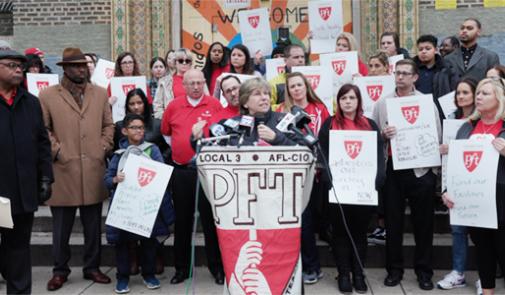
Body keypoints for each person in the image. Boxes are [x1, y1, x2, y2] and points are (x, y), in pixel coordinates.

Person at [39, 47, 115, 291]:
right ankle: (60, 270)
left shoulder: (100, 93)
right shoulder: (48, 95)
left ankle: (92, 267)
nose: (81, 69)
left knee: (93, 226)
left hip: (93, 168)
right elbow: (43, 130)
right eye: (75, 66)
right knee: (61, 228)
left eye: (84, 65)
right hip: (63, 170)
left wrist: (103, 147)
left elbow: (108, 125)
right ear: (65, 69)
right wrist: (58, 151)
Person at [372, 59, 441, 290]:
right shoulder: (383, 103)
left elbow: (436, 134)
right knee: (393, 224)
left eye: (405, 73)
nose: (400, 77)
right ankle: (394, 270)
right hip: (393, 168)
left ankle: (424, 272)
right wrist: (383, 134)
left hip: (420, 170)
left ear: (414, 77)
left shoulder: (425, 102)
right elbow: (374, 137)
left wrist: (433, 171)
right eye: (397, 73)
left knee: (424, 224)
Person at [319, 84, 385, 293]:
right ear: (338, 101)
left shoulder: (370, 125)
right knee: (340, 234)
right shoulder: (330, 124)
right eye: (343, 98)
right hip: (338, 189)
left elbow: (378, 154)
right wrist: (328, 178)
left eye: (352, 98)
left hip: (363, 190)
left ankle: (358, 274)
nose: (348, 101)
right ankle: (344, 274)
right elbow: (321, 153)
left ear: (359, 101)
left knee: (359, 233)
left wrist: (378, 178)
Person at [160, 69, 225, 285]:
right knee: (183, 221)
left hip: (207, 172)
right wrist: (182, 150)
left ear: (204, 83)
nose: (196, 87)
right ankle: (182, 268)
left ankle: (217, 267)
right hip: (182, 172)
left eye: (199, 82)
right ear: (184, 85)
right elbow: (166, 134)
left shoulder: (215, 104)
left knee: (210, 221)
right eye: (191, 83)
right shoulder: (174, 105)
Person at [442, 77, 505, 295]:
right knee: (483, 252)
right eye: (478, 92)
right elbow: (453, 166)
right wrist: (446, 191)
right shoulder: (466, 128)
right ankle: (487, 291)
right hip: (475, 203)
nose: (479, 97)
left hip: (502, 202)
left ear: (499, 98)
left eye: (485, 93)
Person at [0, 48, 53, 294]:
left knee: (19, 248)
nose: (18, 69)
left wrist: (45, 177)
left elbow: (42, 142)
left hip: (21, 193)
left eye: (20, 65)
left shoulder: (31, 103)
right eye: (11, 65)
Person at [105, 113, 174, 294]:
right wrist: (114, 179)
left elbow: (162, 174)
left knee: (148, 243)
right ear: (125, 131)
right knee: (122, 244)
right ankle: (122, 277)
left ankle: (149, 274)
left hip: (146, 208)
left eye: (142, 128)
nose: (139, 131)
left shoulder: (153, 150)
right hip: (126, 207)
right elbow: (106, 179)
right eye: (134, 128)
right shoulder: (119, 154)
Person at [276, 72, 330, 284]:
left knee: (317, 222)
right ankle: (309, 266)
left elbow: (326, 137)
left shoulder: (320, 109)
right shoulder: (281, 111)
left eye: (299, 85)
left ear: (306, 86)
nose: (296, 89)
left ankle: (314, 266)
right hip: (293, 175)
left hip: (318, 173)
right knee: (303, 222)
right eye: (292, 86)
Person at [436, 78, 477, 290]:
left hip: (477, 181)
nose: (461, 97)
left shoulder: (482, 121)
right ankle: (458, 272)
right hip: (455, 180)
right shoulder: (451, 119)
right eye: (458, 93)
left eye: (465, 93)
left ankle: (484, 275)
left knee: (481, 231)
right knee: (458, 229)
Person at [366, 51, 391, 247]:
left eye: (377, 66)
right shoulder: (363, 86)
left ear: (386, 68)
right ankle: (378, 226)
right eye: (371, 66)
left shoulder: (392, 88)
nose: (373, 70)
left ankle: (385, 226)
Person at [444, 18, 500, 83]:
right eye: (462, 28)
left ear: (478, 32)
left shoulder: (490, 57)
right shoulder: (448, 58)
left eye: (469, 28)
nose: (464, 31)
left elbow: (496, 84)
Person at [153, 48, 193, 119]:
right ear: (175, 63)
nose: (184, 63)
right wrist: (168, 118)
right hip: (173, 121)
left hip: (193, 119)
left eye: (187, 61)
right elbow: (157, 107)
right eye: (181, 61)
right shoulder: (164, 81)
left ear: (190, 63)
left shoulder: (198, 80)